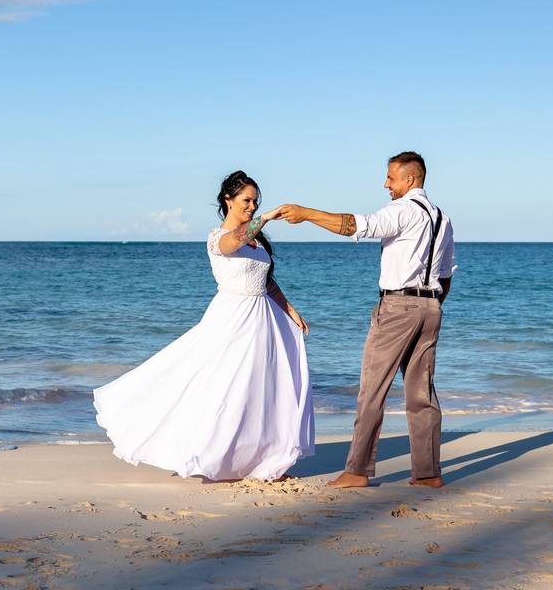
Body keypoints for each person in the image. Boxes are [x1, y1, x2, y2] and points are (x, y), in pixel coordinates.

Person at [93, 170, 314, 481]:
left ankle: (260, 458)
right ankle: (210, 454)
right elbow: (236, 239)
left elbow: (267, 281)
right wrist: (266, 217)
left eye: (255, 201)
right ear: (228, 200)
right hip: (232, 318)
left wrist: (290, 309)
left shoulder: (257, 242)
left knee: (260, 389)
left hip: (262, 317)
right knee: (224, 387)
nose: (251, 206)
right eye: (246, 200)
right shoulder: (219, 238)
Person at [280, 151, 455, 488]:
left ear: (410, 180)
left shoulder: (402, 210)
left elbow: (356, 226)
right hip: (432, 307)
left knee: (372, 390)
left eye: (391, 178)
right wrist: (428, 307)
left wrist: (306, 214)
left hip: (397, 306)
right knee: (422, 394)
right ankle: (428, 473)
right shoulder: (442, 218)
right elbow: (445, 274)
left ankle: (357, 470)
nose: (386, 184)